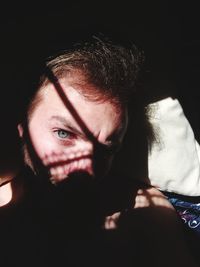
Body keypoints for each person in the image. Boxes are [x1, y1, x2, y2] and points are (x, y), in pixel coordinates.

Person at [0, 33, 197, 266]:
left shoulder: (143, 214)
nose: (87, 168)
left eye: (105, 150)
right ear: (21, 124)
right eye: (64, 133)